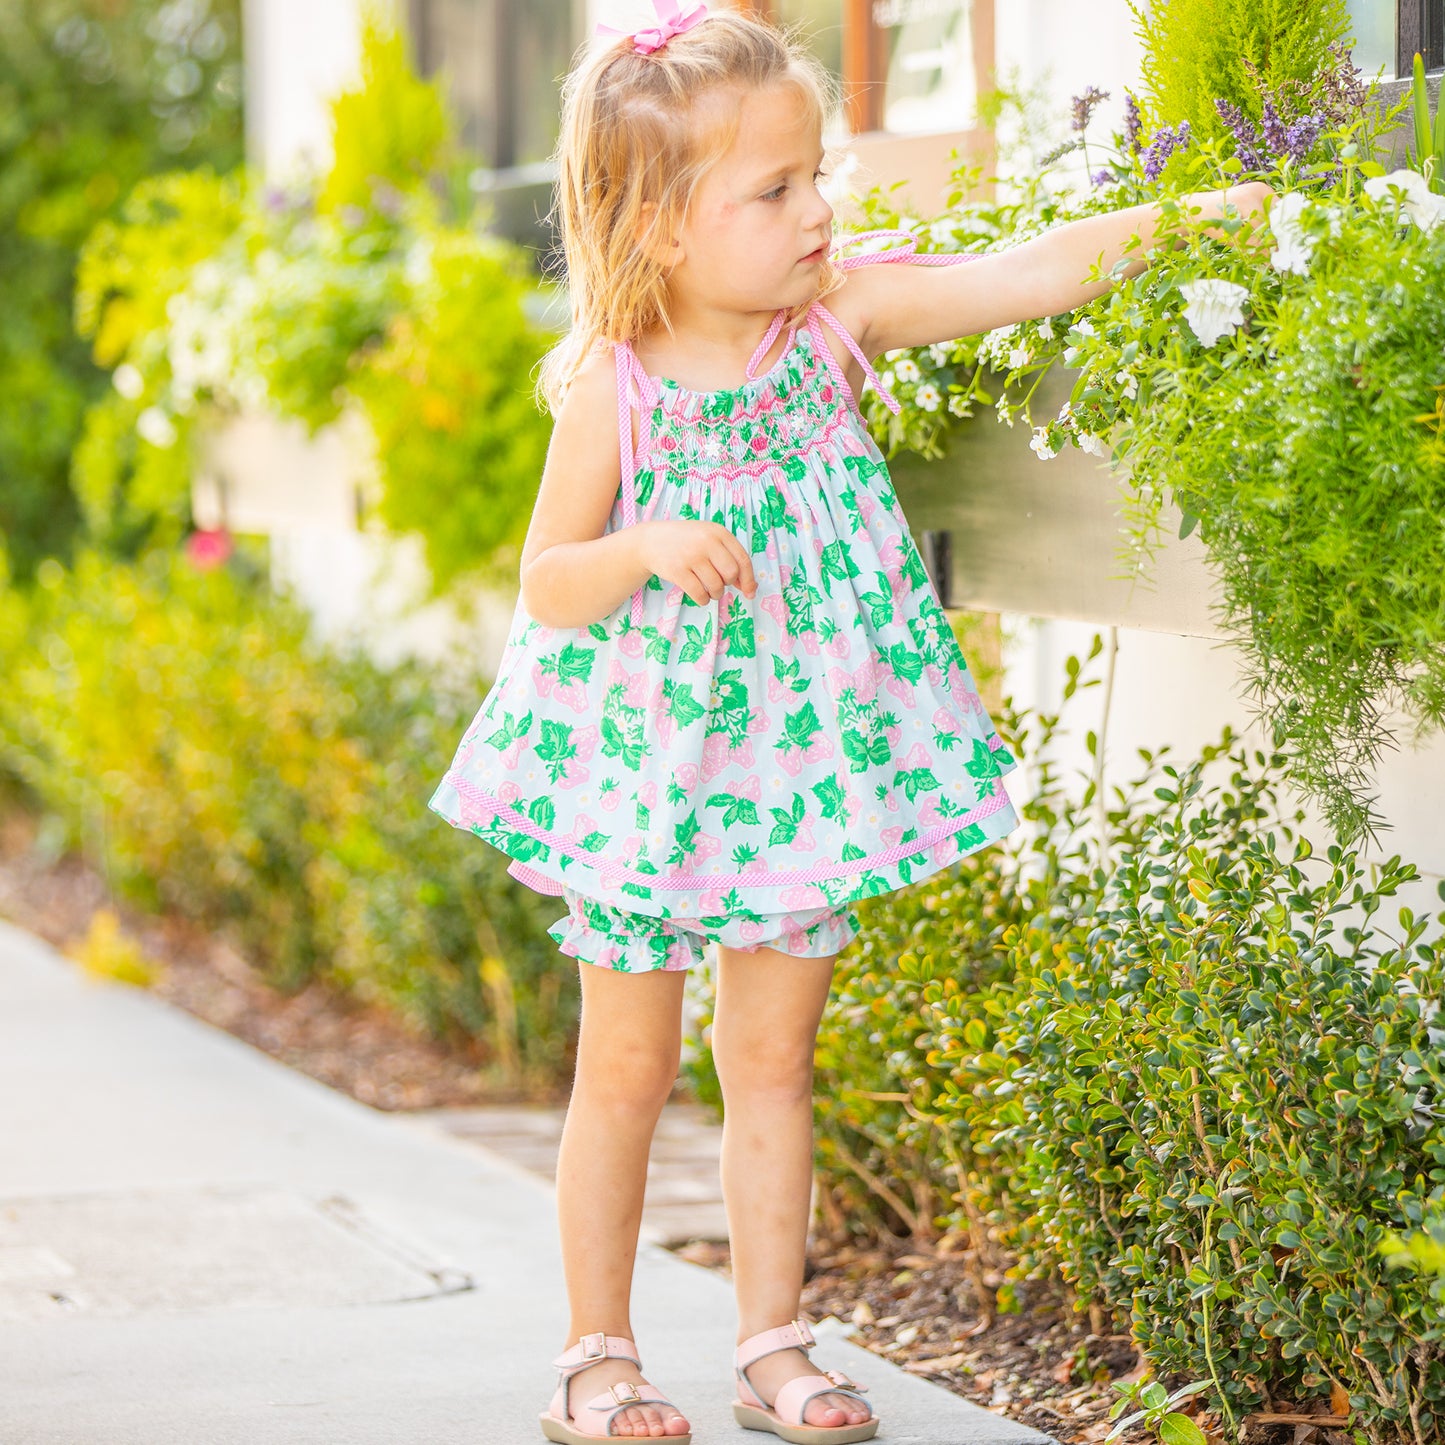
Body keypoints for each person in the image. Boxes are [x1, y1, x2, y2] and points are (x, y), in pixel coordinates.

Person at [427, 4, 1272, 1441]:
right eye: (774, 190)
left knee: (771, 1061)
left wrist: (1193, 217)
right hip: (645, 778)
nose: (820, 209)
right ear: (660, 225)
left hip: (801, 771)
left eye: (815, 174)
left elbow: (1023, 274)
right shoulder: (614, 386)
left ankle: (772, 1338)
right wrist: (646, 544)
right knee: (622, 1066)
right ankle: (597, 1352)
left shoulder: (836, 326)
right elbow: (548, 582)